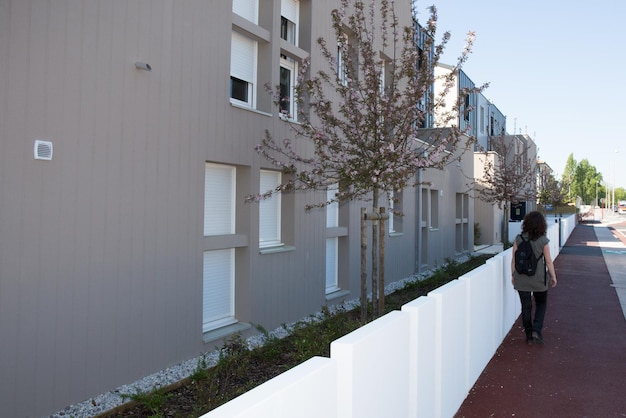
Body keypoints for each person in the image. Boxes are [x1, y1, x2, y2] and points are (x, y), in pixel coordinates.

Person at [511, 211, 557, 345]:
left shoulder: (518, 238)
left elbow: (513, 260)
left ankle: (529, 335)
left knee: (526, 306)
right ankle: (537, 329)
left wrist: (513, 275)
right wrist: (553, 276)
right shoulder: (543, 240)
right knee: (541, 304)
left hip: (521, 278)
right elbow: (548, 261)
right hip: (538, 279)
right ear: (542, 225)